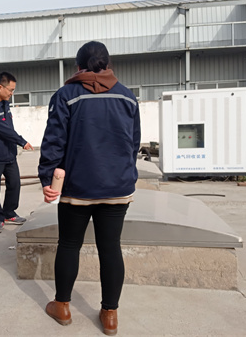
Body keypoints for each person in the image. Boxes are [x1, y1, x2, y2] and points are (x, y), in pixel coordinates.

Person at [38, 41, 140, 335]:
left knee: (69, 245)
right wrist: (124, 173)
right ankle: (110, 315)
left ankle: (62, 306)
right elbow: (133, 143)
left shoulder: (66, 95)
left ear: (78, 67)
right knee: (111, 248)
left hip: (77, 188)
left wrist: (47, 178)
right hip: (117, 187)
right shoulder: (127, 97)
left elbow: (54, 141)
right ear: (108, 65)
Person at [0, 72, 33, 234]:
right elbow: (1, 129)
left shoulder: (5, 104)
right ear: (0, 87)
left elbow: (8, 127)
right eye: (10, 90)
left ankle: (9, 212)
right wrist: (21, 141)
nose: (12, 93)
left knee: (14, 184)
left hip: (8, 153)